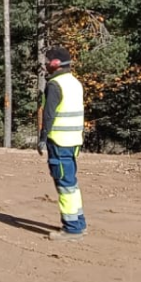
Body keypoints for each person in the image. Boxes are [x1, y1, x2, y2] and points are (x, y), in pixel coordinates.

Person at [38, 46, 86, 241]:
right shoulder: (74, 83)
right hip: (74, 141)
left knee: (65, 184)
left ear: (55, 64)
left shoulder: (55, 85)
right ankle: (78, 222)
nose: (44, 65)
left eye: (47, 61)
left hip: (59, 142)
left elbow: (49, 115)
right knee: (71, 184)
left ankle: (72, 229)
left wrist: (42, 138)